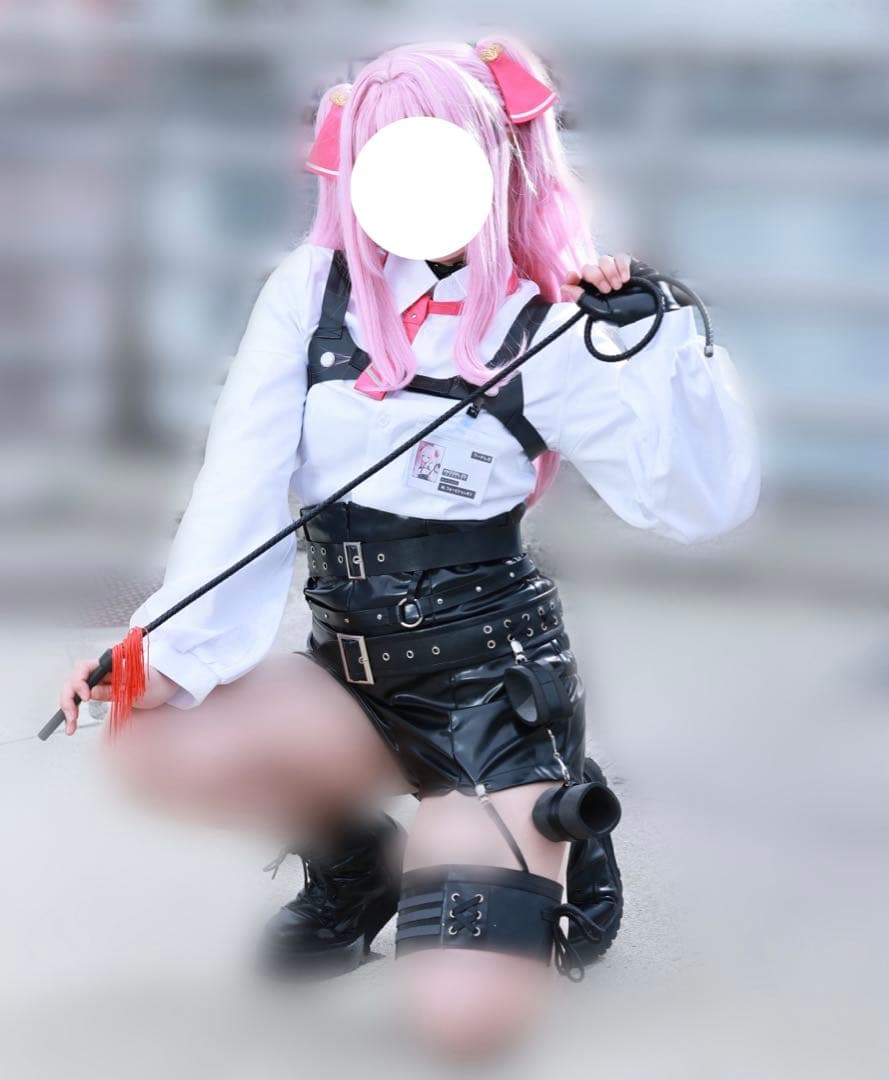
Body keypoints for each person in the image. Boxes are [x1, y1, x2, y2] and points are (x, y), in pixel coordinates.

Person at [58, 38, 759, 1056]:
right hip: (349, 681)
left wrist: (653, 348)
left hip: (490, 698)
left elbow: (698, 506)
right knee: (148, 735)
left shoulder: (551, 315)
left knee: (460, 1026)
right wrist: (158, 651)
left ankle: (551, 818)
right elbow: (237, 491)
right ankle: (362, 866)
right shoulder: (311, 291)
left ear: (494, 159)